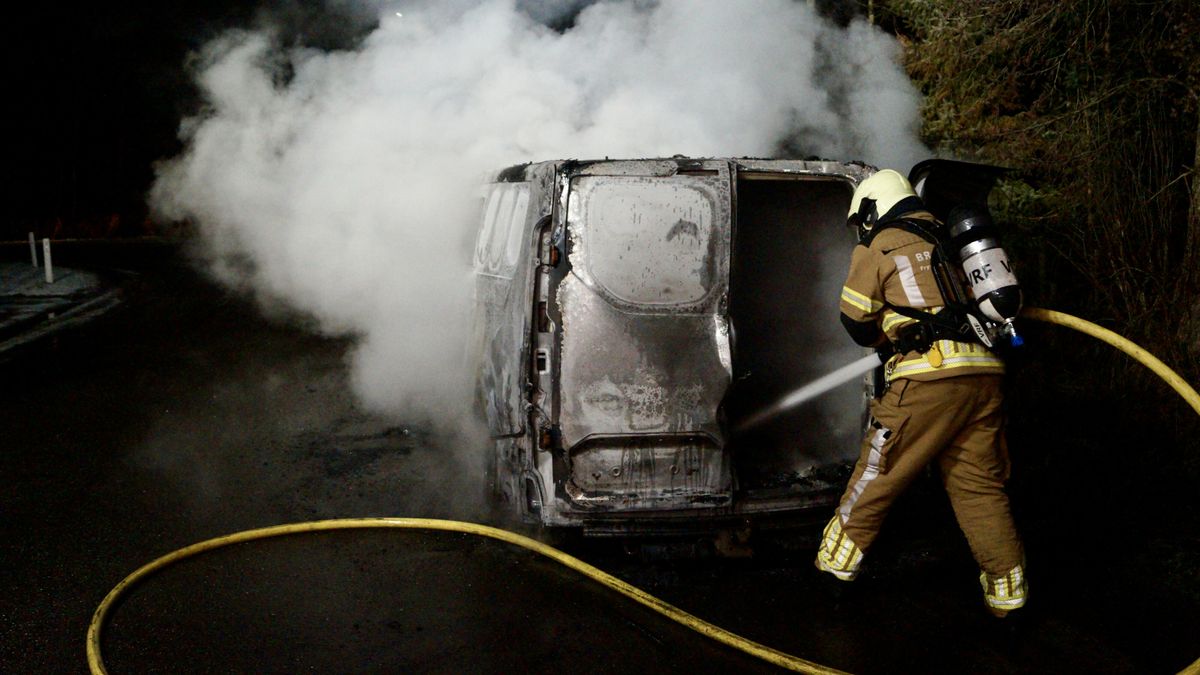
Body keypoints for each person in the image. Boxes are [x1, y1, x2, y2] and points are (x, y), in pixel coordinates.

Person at [813, 169, 1027, 618]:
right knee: (979, 490)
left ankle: (830, 574)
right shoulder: (951, 242)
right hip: (985, 378)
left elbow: (854, 319)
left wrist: (888, 341)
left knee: (878, 472)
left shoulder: (879, 246)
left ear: (873, 208)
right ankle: (1010, 600)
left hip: (929, 379)